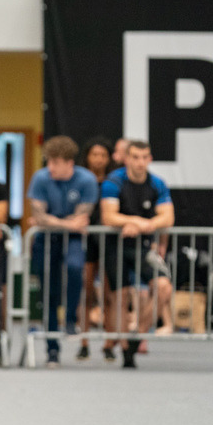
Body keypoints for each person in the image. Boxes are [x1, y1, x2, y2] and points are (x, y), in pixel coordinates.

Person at [100, 140, 174, 369]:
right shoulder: (114, 181)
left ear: (149, 159)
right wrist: (136, 221)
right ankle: (125, 350)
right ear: (127, 159)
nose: (140, 162)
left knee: (163, 287)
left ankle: (137, 334)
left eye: (145, 157)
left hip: (143, 247)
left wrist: (142, 226)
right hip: (116, 246)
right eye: (135, 157)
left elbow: (168, 218)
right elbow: (109, 217)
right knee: (120, 298)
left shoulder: (157, 183)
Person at [27, 136, 99, 368]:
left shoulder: (86, 179)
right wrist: (67, 223)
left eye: (55, 162)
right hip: (46, 240)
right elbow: (40, 217)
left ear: (69, 163)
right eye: (48, 162)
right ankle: (52, 351)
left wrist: (50, 220)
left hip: (74, 240)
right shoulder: (40, 178)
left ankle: (70, 319)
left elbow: (80, 217)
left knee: (76, 268)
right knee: (49, 292)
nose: (50, 167)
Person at [79, 137, 113, 361]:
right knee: (86, 292)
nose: (98, 159)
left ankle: (110, 343)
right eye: (94, 154)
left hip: (109, 241)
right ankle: (83, 342)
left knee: (110, 294)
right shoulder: (80, 180)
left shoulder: (113, 182)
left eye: (103, 155)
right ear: (88, 157)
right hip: (87, 242)